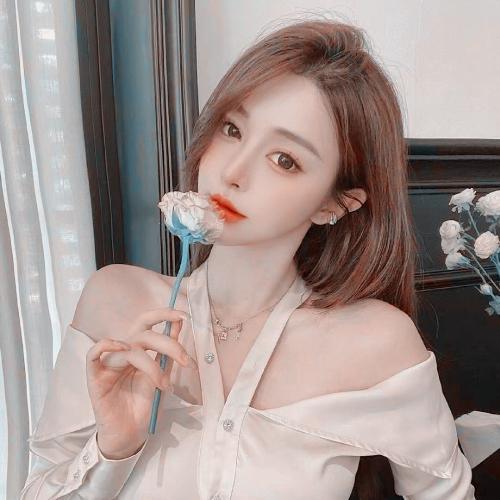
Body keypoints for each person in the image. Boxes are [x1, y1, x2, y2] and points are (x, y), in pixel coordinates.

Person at [21, 18, 477, 499]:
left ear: (336, 203)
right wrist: (112, 449)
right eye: (232, 129)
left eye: (284, 160)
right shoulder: (118, 302)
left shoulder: (376, 342)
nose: (233, 171)